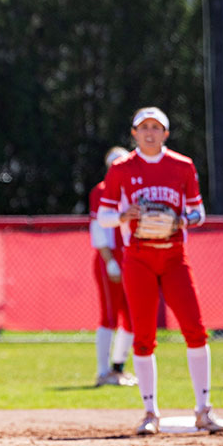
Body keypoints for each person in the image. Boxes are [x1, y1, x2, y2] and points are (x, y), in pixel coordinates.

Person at [98, 107, 223, 435]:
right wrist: (124, 215)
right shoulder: (121, 168)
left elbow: (199, 212)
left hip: (173, 257)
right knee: (143, 337)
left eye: (156, 127)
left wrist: (180, 221)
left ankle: (203, 410)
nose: (150, 132)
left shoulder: (182, 165)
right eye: (144, 127)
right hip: (138, 258)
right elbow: (104, 216)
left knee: (195, 330)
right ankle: (150, 412)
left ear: (166, 133)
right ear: (134, 133)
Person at [89, 146, 137, 386]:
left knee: (131, 317)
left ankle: (118, 368)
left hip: (133, 259)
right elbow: (99, 228)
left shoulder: (132, 189)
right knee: (109, 315)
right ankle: (102, 371)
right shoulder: (101, 190)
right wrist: (109, 261)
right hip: (111, 260)